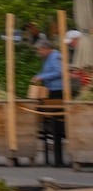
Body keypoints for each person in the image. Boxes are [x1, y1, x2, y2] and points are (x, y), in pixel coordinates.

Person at [34, 35, 67, 167]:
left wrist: (42, 77)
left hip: (57, 92)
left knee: (56, 123)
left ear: (46, 48)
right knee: (51, 122)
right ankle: (55, 157)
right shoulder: (47, 59)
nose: (39, 53)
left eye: (40, 50)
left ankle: (59, 159)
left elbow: (59, 72)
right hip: (51, 91)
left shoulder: (55, 57)